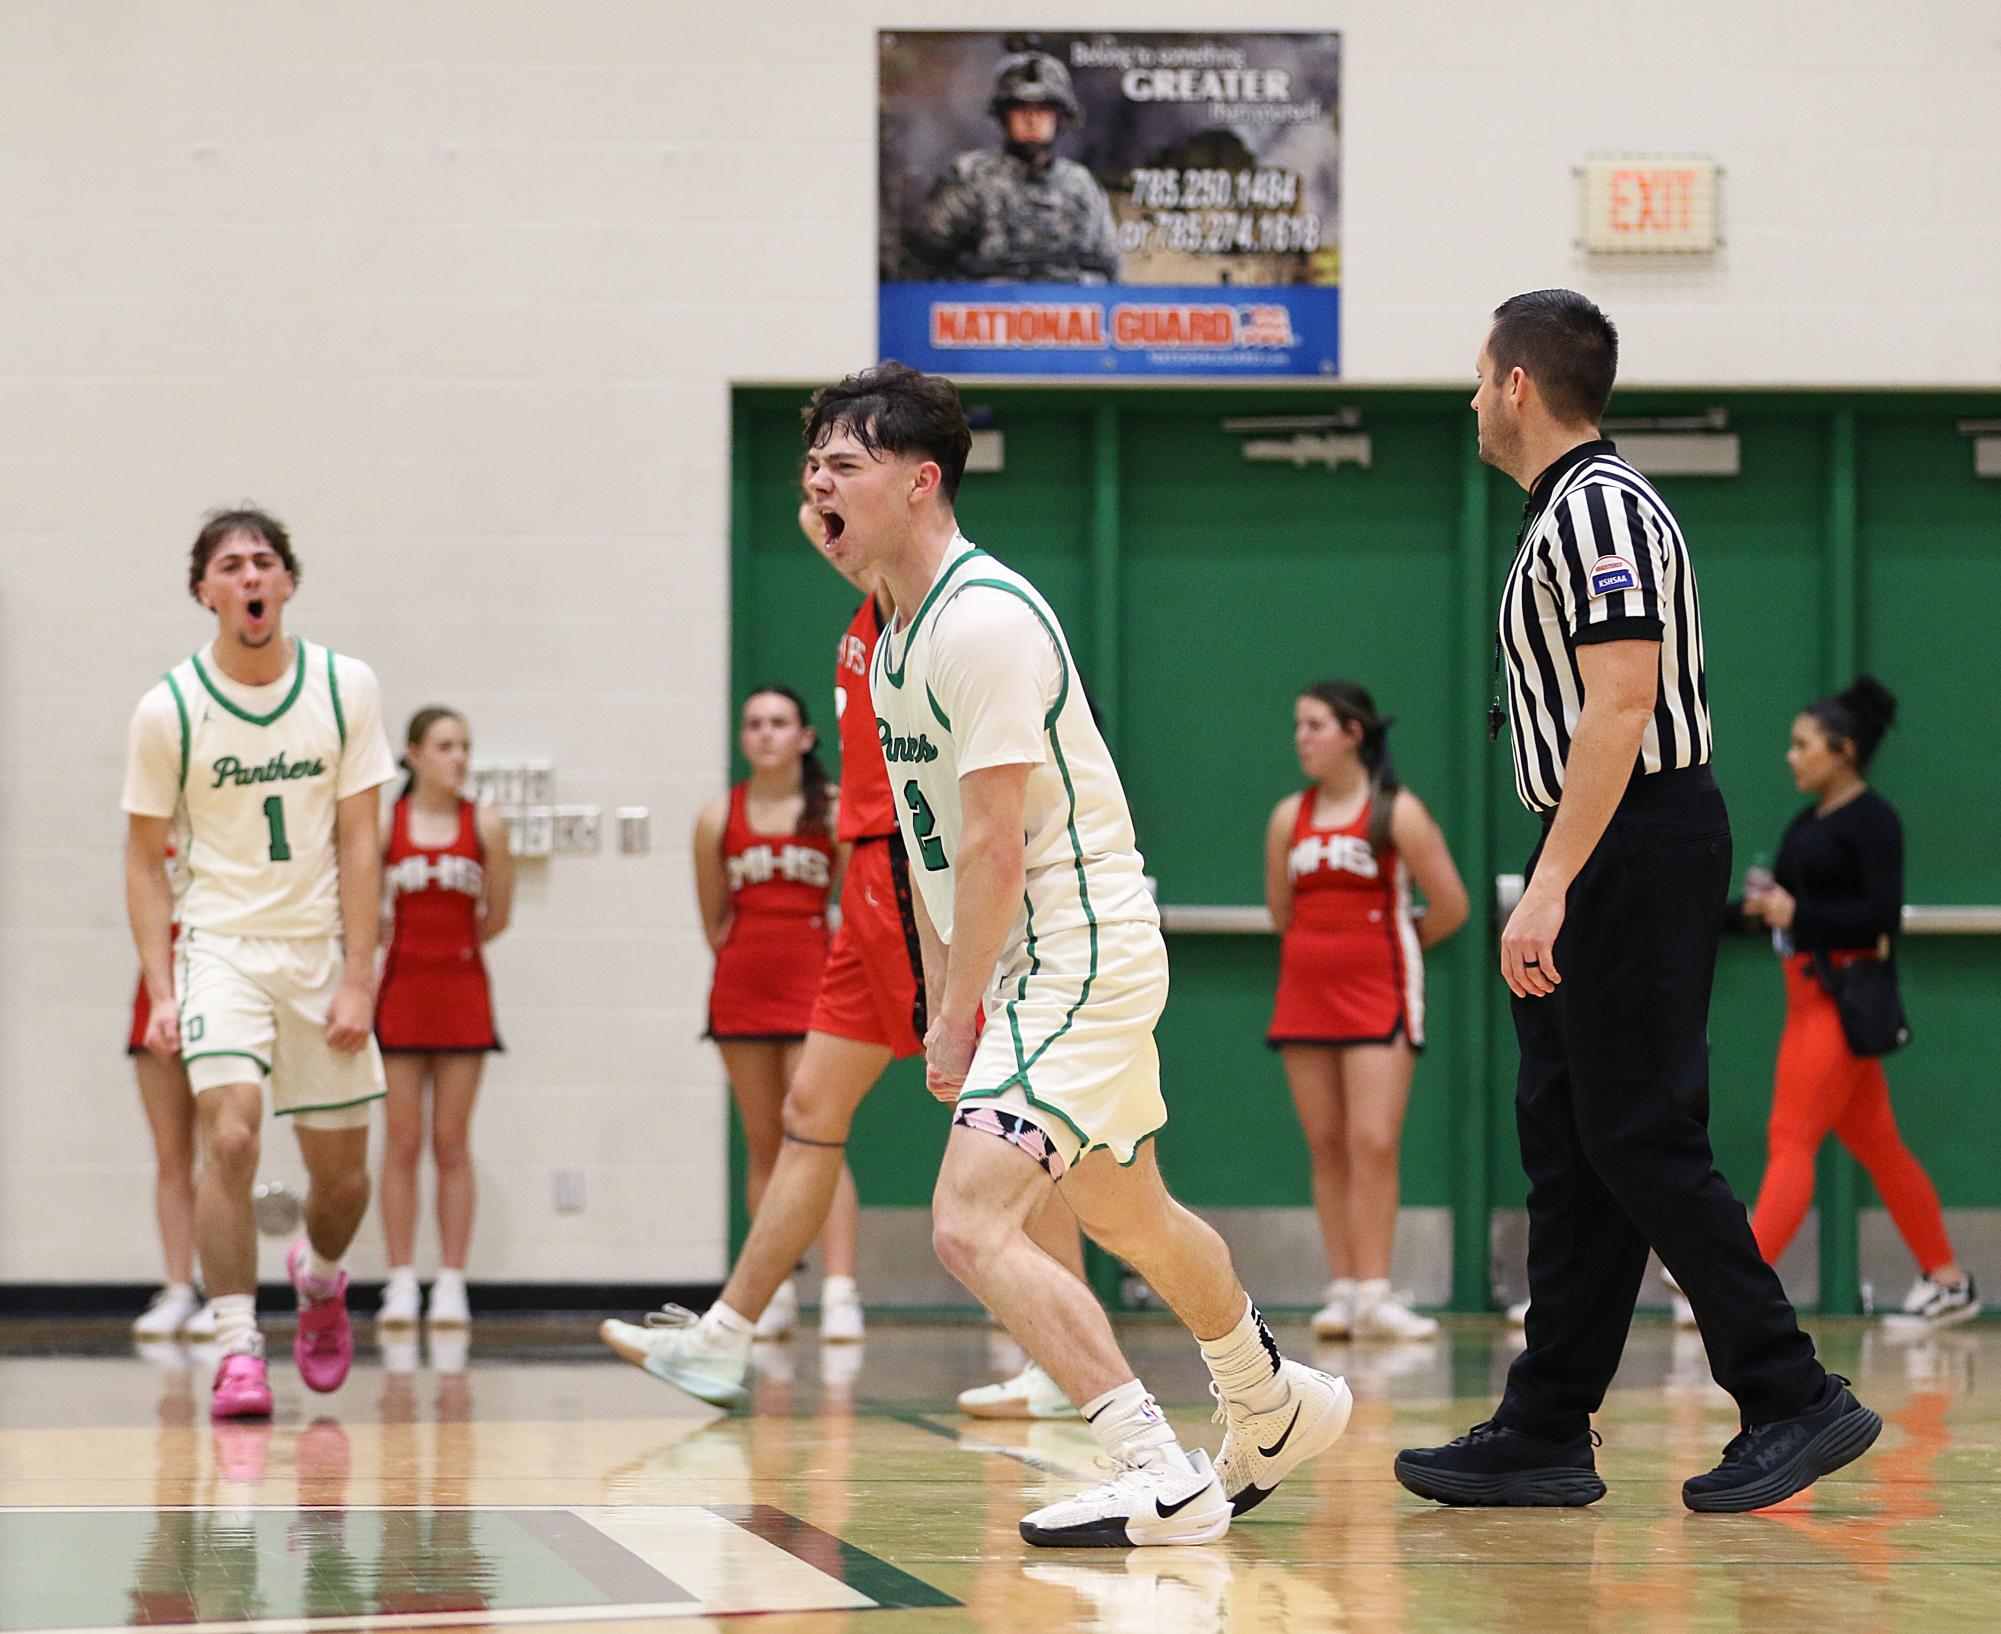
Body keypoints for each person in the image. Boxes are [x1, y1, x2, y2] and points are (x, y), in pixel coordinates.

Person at [638, 361, 1349, 1549]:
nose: (817, 480)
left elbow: (993, 845)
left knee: (969, 1221)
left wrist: (956, 1012)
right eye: (808, 462)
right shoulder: (897, 631)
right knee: (1130, 1208)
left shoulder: (982, 620)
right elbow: (928, 842)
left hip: (1073, 947)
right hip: (1037, 964)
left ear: (921, 484)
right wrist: (946, 993)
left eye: (845, 464)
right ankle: (1271, 1401)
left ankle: (1153, 1464)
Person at [1396, 291, 1879, 1514]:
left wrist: (1551, 882)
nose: (1468, 398)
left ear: (1517, 384)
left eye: (1477, 374)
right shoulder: (1561, 509)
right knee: (1573, 1139)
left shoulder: (1600, 508)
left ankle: (1791, 1391)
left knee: (1640, 1131)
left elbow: (1621, 706)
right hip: (1600, 836)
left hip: (1634, 836)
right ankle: (1548, 1423)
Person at [603, 476, 1086, 1412]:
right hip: (870, 881)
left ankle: (1063, 1353)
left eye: (844, 490)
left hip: (912, 879)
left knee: (1013, 1120)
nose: (824, 521)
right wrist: (832, 464)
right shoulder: (879, 607)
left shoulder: (944, 614)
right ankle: (725, 1336)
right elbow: (815, 512)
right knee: (809, 1109)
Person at [123, 507, 397, 1419]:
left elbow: (363, 842)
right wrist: (162, 989)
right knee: (231, 1134)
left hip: (318, 949)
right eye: (229, 565)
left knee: (342, 1182)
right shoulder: (169, 708)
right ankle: (237, 1342)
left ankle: (319, 1281)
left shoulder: (343, 684)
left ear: (287, 583)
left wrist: (359, 976)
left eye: (264, 562)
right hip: (220, 948)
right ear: (203, 590)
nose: (248, 577)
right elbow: (140, 857)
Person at [1737, 676, 1978, 1328]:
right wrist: (1749, 912)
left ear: (1842, 750)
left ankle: (1734, 1288)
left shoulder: (1874, 821)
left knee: (1789, 1137)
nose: (1790, 756)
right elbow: (1780, 905)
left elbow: (1879, 915)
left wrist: (1797, 911)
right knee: (1878, 1145)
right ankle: (1948, 1279)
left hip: (1836, 1000)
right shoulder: (1804, 822)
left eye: (1801, 744)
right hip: (1804, 993)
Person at [1265, 681, 1469, 1342]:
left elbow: (1450, 906)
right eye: (1298, 724)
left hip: (1378, 990)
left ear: (1353, 733)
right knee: (1324, 1143)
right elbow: (1280, 910)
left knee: (1371, 1141)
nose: (1302, 737)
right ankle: (1344, 1290)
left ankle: (1378, 1291)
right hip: (1304, 993)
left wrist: (1388, 945)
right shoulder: (1286, 817)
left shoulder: (1397, 811)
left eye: (1315, 724)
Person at [694, 685, 863, 1341]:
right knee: (763, 1141)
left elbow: (857, 904)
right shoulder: (716, 817)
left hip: (816, 987)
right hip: (741, 987)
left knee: (815, 1134)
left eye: (778, 723)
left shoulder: (833, 810)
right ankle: (777, 1291)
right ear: (743, 738)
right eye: (753, 723)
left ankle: (842, 1288)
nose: (764, 734)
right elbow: (713, 918)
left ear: (805, 736)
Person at [374, 707, 515, 1331]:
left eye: (465, 745)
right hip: (401, 991)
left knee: (452, 1143)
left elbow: (498, 913)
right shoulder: (386, 824)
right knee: (401, 1143)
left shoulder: (484, 824)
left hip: (461, 989)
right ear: (412, 754)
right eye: (444, 745)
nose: (457, 757)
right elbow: (360, 906)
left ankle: (452, 1280)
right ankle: (402, 1279)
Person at [906, 48, 1121, 285]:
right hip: (984, 312)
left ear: (1060, 117)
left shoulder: (1081, 185)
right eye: (1021, 108)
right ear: (1003, 117)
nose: (1032, 119)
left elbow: (1108, 269)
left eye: (1043, 109)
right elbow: (921, 265)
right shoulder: (970, 178)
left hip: (1065, 312)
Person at [128, 841, 221, 1343]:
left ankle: (221, 1291)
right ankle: (178, 1287)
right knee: (171, 1155)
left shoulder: (223, 819)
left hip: (220, 991)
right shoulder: (148, 832)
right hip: (158, 994)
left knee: (220, 1154)